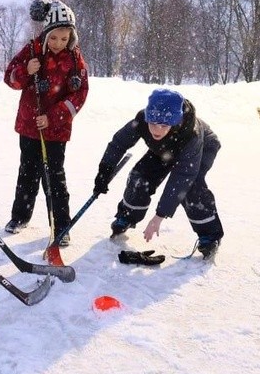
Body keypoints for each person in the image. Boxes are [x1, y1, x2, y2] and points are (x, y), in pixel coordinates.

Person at [94, 89, 223, 260]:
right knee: (139, 178)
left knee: (191, 188)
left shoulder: (191, 134)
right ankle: (127, 217)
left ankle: (209, 236)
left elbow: (182, 177)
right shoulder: (141, 121)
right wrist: (104, 170)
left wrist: (159, 216)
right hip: (163, 150)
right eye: (153, 123)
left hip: (202, 148)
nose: (157, 129)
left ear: (175, 122)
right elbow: (119, 143)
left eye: (164, 125)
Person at [3, 0, 89, 246]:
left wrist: (53, 117)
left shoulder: (74, 59)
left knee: (55, 176)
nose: (58, 44)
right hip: (29, 127)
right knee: (28, 172)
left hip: (57, 131)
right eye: (53, 38)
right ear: (46, 32)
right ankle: (20, 216)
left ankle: (61, 226)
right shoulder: (31, 51)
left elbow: (80, 93)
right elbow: (10, 79)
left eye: (64, 39)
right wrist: (25, 72)